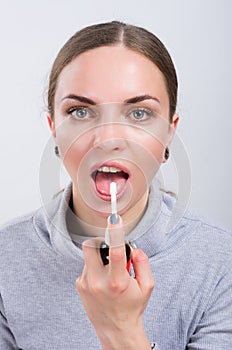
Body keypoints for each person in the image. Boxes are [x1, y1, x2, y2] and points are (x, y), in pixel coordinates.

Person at [0, 21, 231, 350]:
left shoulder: (222, 262)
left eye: (139, 113)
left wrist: (122, 332)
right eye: (80, 111)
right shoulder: (5, 257)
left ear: (169, 131)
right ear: (54, 127)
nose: (108, 139)